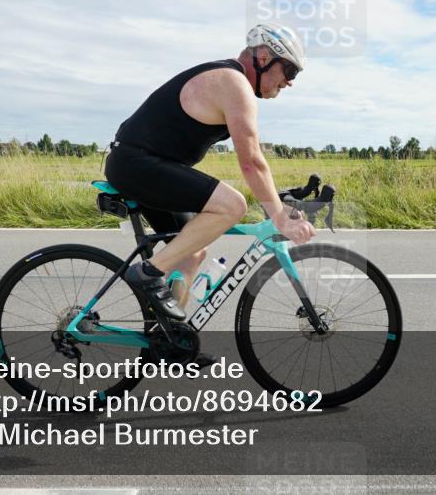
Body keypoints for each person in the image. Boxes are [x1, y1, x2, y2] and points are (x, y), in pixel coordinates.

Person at [105, 23, 317, 323]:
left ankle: (167, 340)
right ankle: (148, 272)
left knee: (191, 254)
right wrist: (278, 214)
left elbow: (254, 162)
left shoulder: (230, 80)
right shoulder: (234, 83)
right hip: (136, 163)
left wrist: (276, 201)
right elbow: (251, 161)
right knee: (232, 205)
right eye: (290, 71)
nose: (290, 82)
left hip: (141, 164)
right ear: (264, 57)